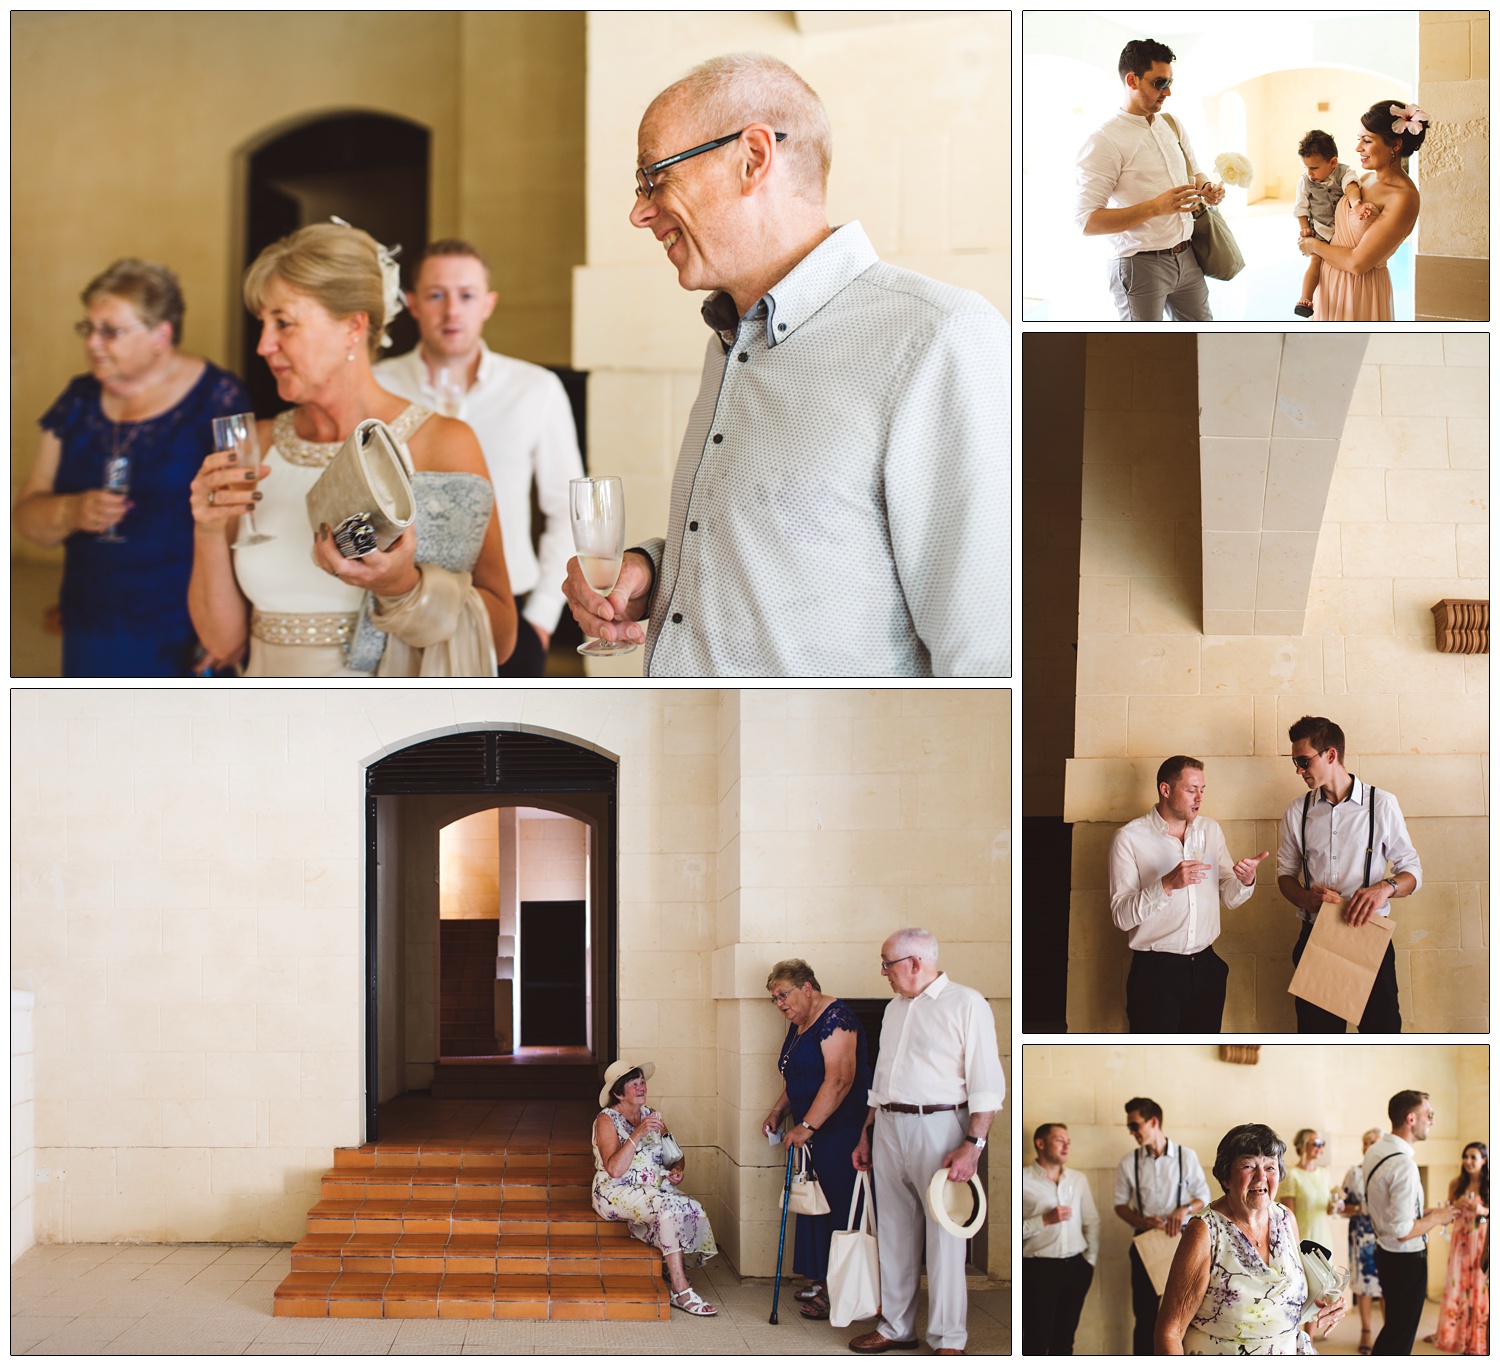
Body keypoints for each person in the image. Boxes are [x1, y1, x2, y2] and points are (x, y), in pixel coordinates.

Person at [560, 53, 1008, 677]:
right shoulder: (730, 341)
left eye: (654, 178)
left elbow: (982, 655)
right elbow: (786, 557)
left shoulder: (938, 338)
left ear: (752, 157)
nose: (641, 211)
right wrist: (652, 572)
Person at [187, 221, 517, 676]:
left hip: (384, 727)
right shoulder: (255, 447)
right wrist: (206, 528)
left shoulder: (443, 444)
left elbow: (500, 640)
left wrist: (402, 586)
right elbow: (221, 641)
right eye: (262, 324)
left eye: (283, 322)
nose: (264, 345)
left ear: (353, 326)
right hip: (266, 719)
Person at [14, 259, 250, 676]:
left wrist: (229, 623)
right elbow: (27, 515)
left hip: (185, 623)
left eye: (112, 331)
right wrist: (70, 511)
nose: (93, 343)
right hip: (91, 614)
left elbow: (246, 523)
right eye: (88, 328)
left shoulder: (219, 397)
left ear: (161, 335)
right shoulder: (79, 399)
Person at [374, 239, 583, 677]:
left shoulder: (536, 389)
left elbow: (568, 510)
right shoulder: (378, 385)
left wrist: (542, 618)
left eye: (466, 295)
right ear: (411, 303)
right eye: (436, 295)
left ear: (488, 304)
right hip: (401, 608)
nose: (452, 311)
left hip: (512, 610)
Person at [849, 928, 1005, 1355]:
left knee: (946, 1238)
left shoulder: (967, 1003)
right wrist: (867, 1130)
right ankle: (896, 1327)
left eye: (887, 963)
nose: (883, 972)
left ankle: (948, 1339)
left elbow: (987, 1084)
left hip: (941, 1129)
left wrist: (973, 1145)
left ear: (915, 962)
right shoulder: (895, 1008)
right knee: (894, 1233)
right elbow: (881, 1081)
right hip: (889, 1126)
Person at [1276, 716, 1422, 1033]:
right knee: (1318, 1039)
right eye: (1295, 763)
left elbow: (1412, 871)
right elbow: (1284, 875)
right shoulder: (1296, 811)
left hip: (1370, 939)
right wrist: (1304, 896)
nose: (1298, 770)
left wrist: (1386, 887)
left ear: (1331, 755)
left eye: (1303, 761)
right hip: (1316, 938)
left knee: (1381, 1035)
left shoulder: (1381, 804)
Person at [1108, 755, 1269, 1032]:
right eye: (1191, 790)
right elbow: (1121, 917)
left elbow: (1229, 897)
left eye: (1202, 790)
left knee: (1201, 1058)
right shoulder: (1129, 838)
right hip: (1156, 973)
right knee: (1157, 1062)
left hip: (1207, 968)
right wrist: (1166, 885)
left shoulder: (1210, 830)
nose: (1199, 798)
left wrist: (1245, 880)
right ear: (1166, 790)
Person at [1156, 1123, 1347, 1354]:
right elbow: (1170, 1331)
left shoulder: (1286, 1219)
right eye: (1248, 1166)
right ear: (1226, 1177)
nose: (1261, 1177)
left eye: (1270, 1167)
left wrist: (1328, 1303)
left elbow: (1292, 1294)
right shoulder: (1204, 1231)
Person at [1075, 38, 1226, 322]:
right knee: (1142, 352)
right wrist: (1156, 207)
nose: (1168, 92)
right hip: (1139, 266)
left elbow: (1195, 171)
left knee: (1202, 340)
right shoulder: (1104, 141)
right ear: (1132, 80)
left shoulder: (1172, 124)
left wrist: (1206, 189)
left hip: (1188, 258)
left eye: (1169, 82)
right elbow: (1087, 222)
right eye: (1159, 83)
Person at [759, 958, 871, 1322]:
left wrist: (807, 1125)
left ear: (807, 987)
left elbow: (840, 1079)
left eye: (783, 995)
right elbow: (797, 1076)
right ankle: (822, 1278)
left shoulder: (837, 1019)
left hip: (839, 1131)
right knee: (814, 1205)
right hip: (811, 1131)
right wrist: (779, 1111)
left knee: (836, 1205)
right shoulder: (800, 1023)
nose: (780, 1004)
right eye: (775, 999)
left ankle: (836, 1288)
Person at [591, 1059, 719, 1316]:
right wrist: (637, 1133)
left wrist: (676, 1171)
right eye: (634, 1084)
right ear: (618, 1093)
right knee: (668, 1209)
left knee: (692, 1207)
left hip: (653, 1190)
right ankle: (681, 1291)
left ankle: (669, 1266)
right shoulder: (607, 1120)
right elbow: (614, 1169)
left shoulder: (652, 1115)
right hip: (615, 1191)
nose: (641, 1088)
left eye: (642, 1082)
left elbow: (676, 1155)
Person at [1298, 101, 1426, 321]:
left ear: (1395, 144)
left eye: (1367, 141)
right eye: (1359, 140)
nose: (1358, 148)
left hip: (1358, 291)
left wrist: (1313, 245)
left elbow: (1358, 263)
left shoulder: (1403, 198)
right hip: (1328, 285)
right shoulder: (1364, 179)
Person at [1364, 1089, 1462, 1354]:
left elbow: (1390, 1210)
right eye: (1428, 1115)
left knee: (1394, 1327)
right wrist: (1438, 1217)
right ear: (1410, 1119)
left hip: (1384, 1253)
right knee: (1401, 1336)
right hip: (1405, 1259)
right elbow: (1402, 1230)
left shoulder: (1376, 1150)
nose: (1432, 1120)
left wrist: (1433, 1212)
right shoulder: (1404, 1165)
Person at [1113, 1097, 1212, 1354]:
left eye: (1135, 1126)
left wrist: (1184, 1210)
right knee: (1144, 1316)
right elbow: (1120, 1206)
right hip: (1145, 1243)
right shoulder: (1129, 1162)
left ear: (1153, 1121)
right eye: (1130, 1127)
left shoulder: (1185, 1156)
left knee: (1183, 1313)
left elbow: (1204, 1196)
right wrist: (1142, 1221)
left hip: (1182, 1243)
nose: (1132, 1132)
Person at [1022, 1122, 1099, 1355]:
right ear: (1040, 1143)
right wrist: (1044, 1219)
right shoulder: (1022, 1180)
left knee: (1065, 1341)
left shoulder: (1078, 1179)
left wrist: (1090, 1262)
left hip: (1077, 1267)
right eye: (1059, 1140)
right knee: (1036, 1340)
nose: (1066, 1145)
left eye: (1068, 1141)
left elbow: (1092, 1221)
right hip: (1038, 1269)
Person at [1292, 130, 1359, 318]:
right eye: (1306, 168)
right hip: (1320, 229)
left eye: (1314, 168)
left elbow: (1352, 187)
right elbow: (1301, 207)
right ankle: (1305, 298)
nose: (1309, 173)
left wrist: (1357, 204)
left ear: (1332, 163)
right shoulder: (1305, 181)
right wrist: (1304, 227)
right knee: (1316, 260)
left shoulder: (1344, 172)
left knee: (1343, 261)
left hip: (1342, 230)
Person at [1430, 1141, 1489, 1354]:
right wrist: (1455, 1206)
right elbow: (1446, 1217)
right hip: (1460, 1242)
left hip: (1481, 1242)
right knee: (1457, 1285)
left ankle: (1477, 1339)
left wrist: (1481, 1209)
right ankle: (1456, 1337)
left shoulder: (1491, 1186)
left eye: (1473, 1157)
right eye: (1466, 1157)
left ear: (1484, 1160)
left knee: (1479, 1287)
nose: (1468, 1161)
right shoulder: (1456, 1184)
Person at [1341, 1127, 1386, 1355]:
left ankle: (1390, 1332)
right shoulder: (1354, 1172)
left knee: (1389, 1286)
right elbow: (1342, 1205)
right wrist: (1360, 1208)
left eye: (1374, 1141)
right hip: (1360, 1239)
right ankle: (1366, 1331)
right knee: (1364, 1286)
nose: (1368, 1145)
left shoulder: (1390, 1170)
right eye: (1365, 1142)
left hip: (1387, 1238)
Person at [1278, 1128, 1341, 1255]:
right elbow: (1288, 1217)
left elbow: (1328, 1210)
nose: (1320, 1147)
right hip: (1302, 1238)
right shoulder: (1292, 1175)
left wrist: (1336, 1206)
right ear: (1302, 1145)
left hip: (1324, 1238)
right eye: (1315, 1143)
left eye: (1322, 1143)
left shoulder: (1324, 1174)